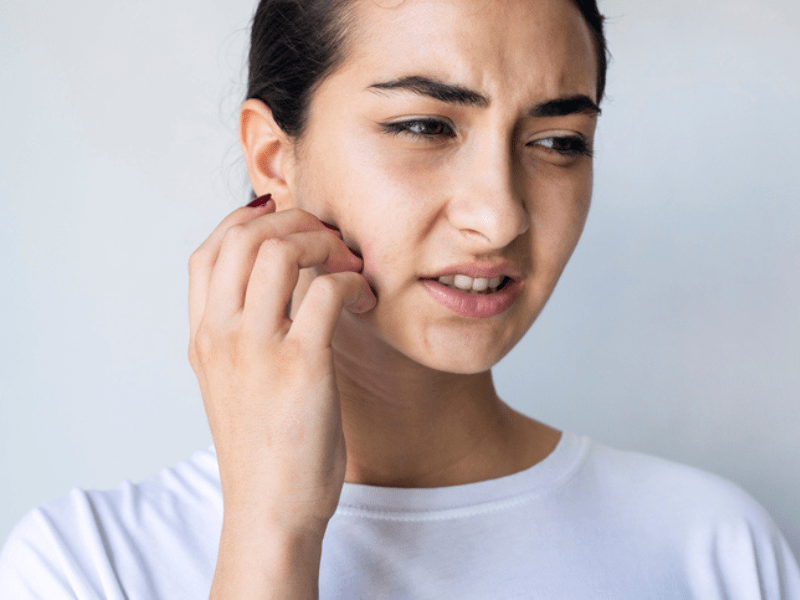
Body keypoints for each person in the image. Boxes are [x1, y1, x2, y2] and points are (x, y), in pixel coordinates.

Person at [1, 0, 798, 597]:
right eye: (425, 127)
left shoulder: (713, 549)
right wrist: (272, 533)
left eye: (558, 143)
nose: (500, 216)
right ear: (275, 159)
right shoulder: (85, 564)